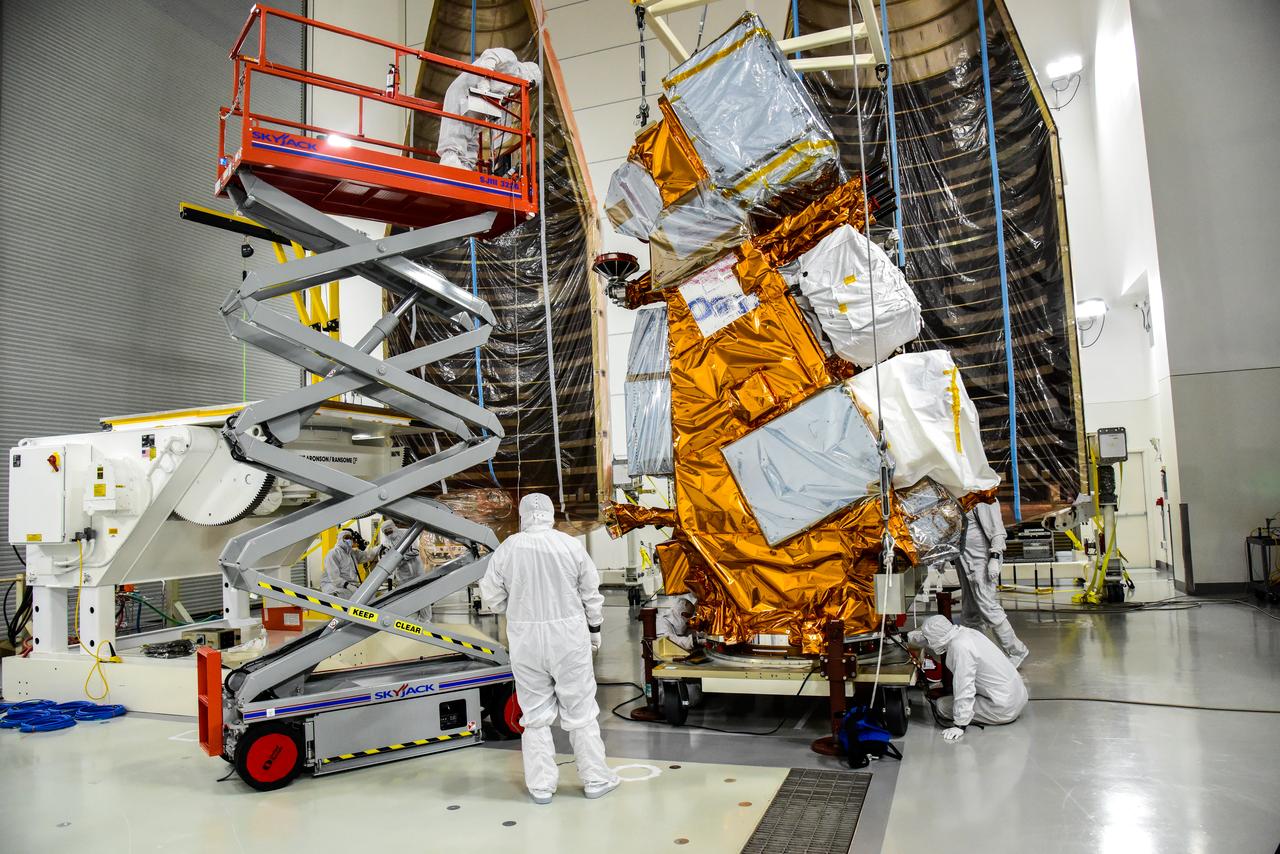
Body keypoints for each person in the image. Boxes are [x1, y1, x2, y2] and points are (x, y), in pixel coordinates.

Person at [479, 493, 620, 804]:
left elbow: (490, 596)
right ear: (552, 514)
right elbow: (591, 594)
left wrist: (513, 608)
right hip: (569, 638)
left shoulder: (508, 549)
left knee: (535, 715)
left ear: (522, 515)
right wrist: (594, 630)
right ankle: (596, 779)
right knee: (581, 711)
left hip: (526, 639)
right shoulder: (569, 545)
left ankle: (541, 787)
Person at [909, 615, 1028, 742]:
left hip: (1003, 706)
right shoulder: (966, 633)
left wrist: (960, 724)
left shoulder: (960, 648)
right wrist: (909, 638)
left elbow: (964, 686)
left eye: (928, 639)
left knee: (942, 706)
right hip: (1017, 695)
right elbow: (929, 636)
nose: (927, 642)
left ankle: (965, 718)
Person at [437, 47, 542, 172]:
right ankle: (451, 158)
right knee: (458, 126)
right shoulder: (511, 61)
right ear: (528, 76)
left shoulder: (510, 85)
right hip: (466, 90)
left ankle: (466, 164)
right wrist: (484, 84)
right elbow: (489, 55)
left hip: (479, 98)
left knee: (473, 131)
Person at [957, 499, 1029, 667]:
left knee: (988, 606)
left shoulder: (982, 497)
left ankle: (1016, 650)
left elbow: (997, 531)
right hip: (965, 561)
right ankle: (977, 654)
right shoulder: (961, 495)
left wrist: (995, 558)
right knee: (970, 612)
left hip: (981, 561)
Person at [321, 528, 375, 597]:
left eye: (350, 538)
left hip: (349, 585)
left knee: (369, 595)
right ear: (340, 539)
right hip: (333, 586)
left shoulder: (352, 553)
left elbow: (368, 555)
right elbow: (334, 578)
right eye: (346, 538)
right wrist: (348, 586)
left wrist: (378, 548)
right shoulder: (333, 554)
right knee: (350, 597)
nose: (348, 540)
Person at [379, 519, 424, 588]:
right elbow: (389, 560)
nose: (389, 534)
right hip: (403, 577)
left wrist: (400, 558)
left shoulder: (407, 534)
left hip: (417, 571)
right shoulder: (386, 543)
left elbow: (416, 551)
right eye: (386, 533)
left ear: (394, 527)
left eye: (390, 531)